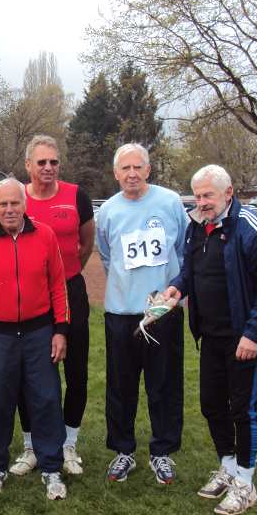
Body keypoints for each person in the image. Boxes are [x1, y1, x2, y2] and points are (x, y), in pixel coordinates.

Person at [163, 165, 257, 515]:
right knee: (212, 405)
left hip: (244, 338)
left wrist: (253, 333)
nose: (202, 202)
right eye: (197, 196)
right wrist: (178, 287)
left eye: (208, 195)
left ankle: (245, 484)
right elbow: (191, 271)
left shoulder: (254, 229)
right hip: (211, 336)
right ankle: (228, 467)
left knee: (243, 410)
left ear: (229, 192)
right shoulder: (197, 226)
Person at [0, 177, 70, 500]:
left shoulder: (45, 235)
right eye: (3, 204)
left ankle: (51, 467)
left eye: (15, 203)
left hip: (40, 332)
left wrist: (60, 330)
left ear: (25, 204)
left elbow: (58, 284)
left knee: (46, 399)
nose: (9, 209)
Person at [96, 143, 188, 486]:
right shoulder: (108, 211)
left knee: (164, 384)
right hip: (121, 313)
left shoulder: (170, 202)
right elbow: (108, 256)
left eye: (138, 167)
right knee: (120, 385)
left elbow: (182, 249)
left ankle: (162, 451)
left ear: (148, 170)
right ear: (116, 173)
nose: (132, 174)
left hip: (162, 312)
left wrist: (169, 290)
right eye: (125, 168)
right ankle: (123, 450)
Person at [10, 135, 94, 477]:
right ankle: (31, 445)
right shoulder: (17, 198)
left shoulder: (77, 196)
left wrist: (67, 275)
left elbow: (86, 244)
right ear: (28, 165)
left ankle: (68, 444)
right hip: (31, 297)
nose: (48, 167)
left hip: (70, 291)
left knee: (76, 371)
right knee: (29, 373)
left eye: (54, 162)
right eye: (41, 162)